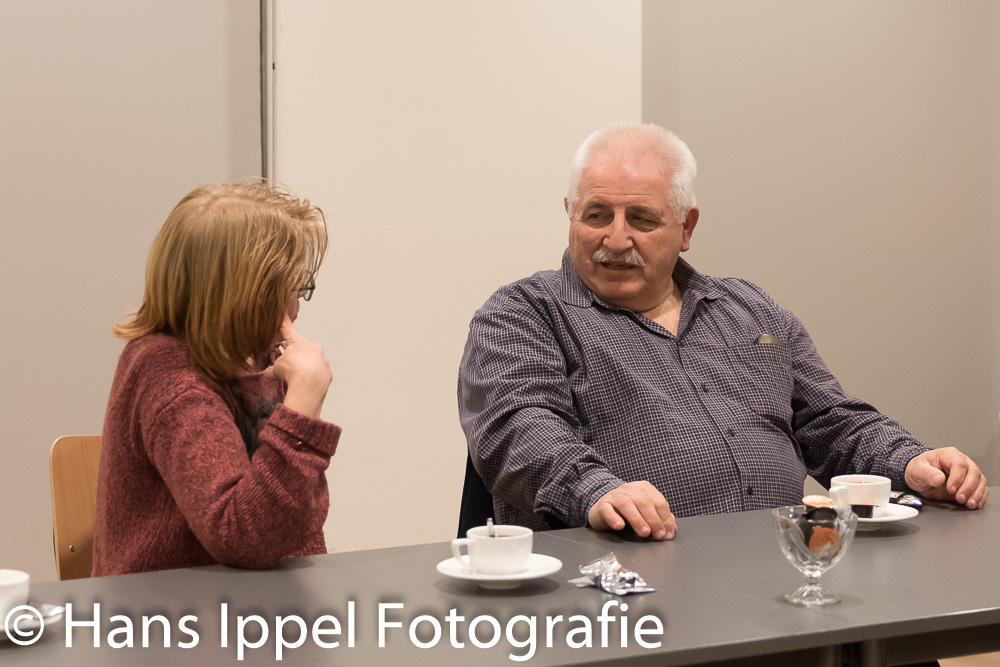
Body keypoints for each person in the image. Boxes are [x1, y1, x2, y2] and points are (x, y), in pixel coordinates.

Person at [458, 123, 988, 541]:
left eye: (641, 219)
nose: (616, 239)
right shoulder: (523, 314)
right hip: (624, 584)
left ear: (686, 228)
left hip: (783, 570)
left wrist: (910, 461)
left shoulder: (749, 308)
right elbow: (519, 428)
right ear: (570, 214)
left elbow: (830, 421)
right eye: (597, 215)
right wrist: (596, 491)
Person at [92, 182, 340, 576]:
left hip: (257, 600)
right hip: (168, 611)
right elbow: (246, 538)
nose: (296, 305)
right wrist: (302, 411)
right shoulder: (170, 377)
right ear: (248, 296)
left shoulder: (258, 361)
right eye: (293, 288)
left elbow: (300, 524)